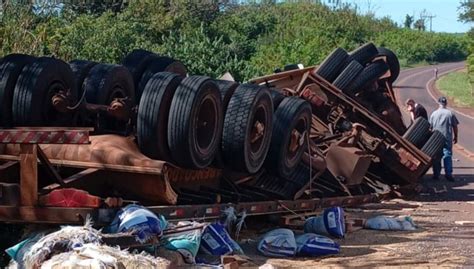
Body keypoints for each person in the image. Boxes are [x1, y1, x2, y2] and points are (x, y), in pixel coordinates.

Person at [429, 96, 459, 181]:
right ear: (446, 103)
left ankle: (436, 174)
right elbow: (455, 126)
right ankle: (448, 174)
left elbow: (430, 127)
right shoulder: (450, 113)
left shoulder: (434, 114)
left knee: (436, 156)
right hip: (447, 138)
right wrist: (456, 136)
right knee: (447, 155)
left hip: (436, 138)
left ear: (438, 103)